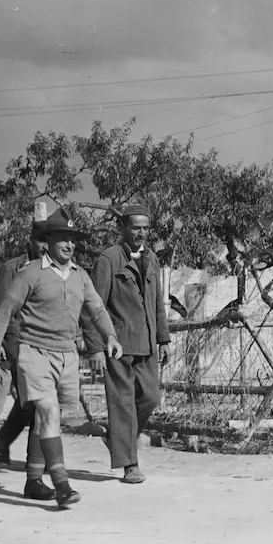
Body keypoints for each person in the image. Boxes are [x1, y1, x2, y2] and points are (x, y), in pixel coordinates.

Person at [0, 207, 123, 509]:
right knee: (48, 413)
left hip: (67, 355)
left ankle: (33, 481)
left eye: (73, 240)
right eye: (63, 238)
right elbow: (5, 310)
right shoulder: (30, 272)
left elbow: (97, 310)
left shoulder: (81, 276)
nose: (70, 245)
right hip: (34, 352)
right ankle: (62, 484)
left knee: (49, 417)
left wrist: (110, 337)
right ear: (49, 240)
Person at [83, 205, 170, 484]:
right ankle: (129, 464)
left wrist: (163, 339)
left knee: (151, 397)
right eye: (135, 228)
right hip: (117, 344)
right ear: (123, 228)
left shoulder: (152, 259)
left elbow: (157, 303)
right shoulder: (108, 259)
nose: (141, 233)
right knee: (122, 403)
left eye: (145, 228)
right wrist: (95, 346)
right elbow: (93, 306)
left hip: (146, 343)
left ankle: (119, 439)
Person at [0, 220, 48, 435]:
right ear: (30, 241)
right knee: (33, 396)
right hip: (16, 341)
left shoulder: (55, 270)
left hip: (45, 342)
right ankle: (35, 460)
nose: (45, 246)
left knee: (35, 398)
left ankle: (12, 442)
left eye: (49, 241)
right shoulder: (12, 268)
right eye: (40, 241)